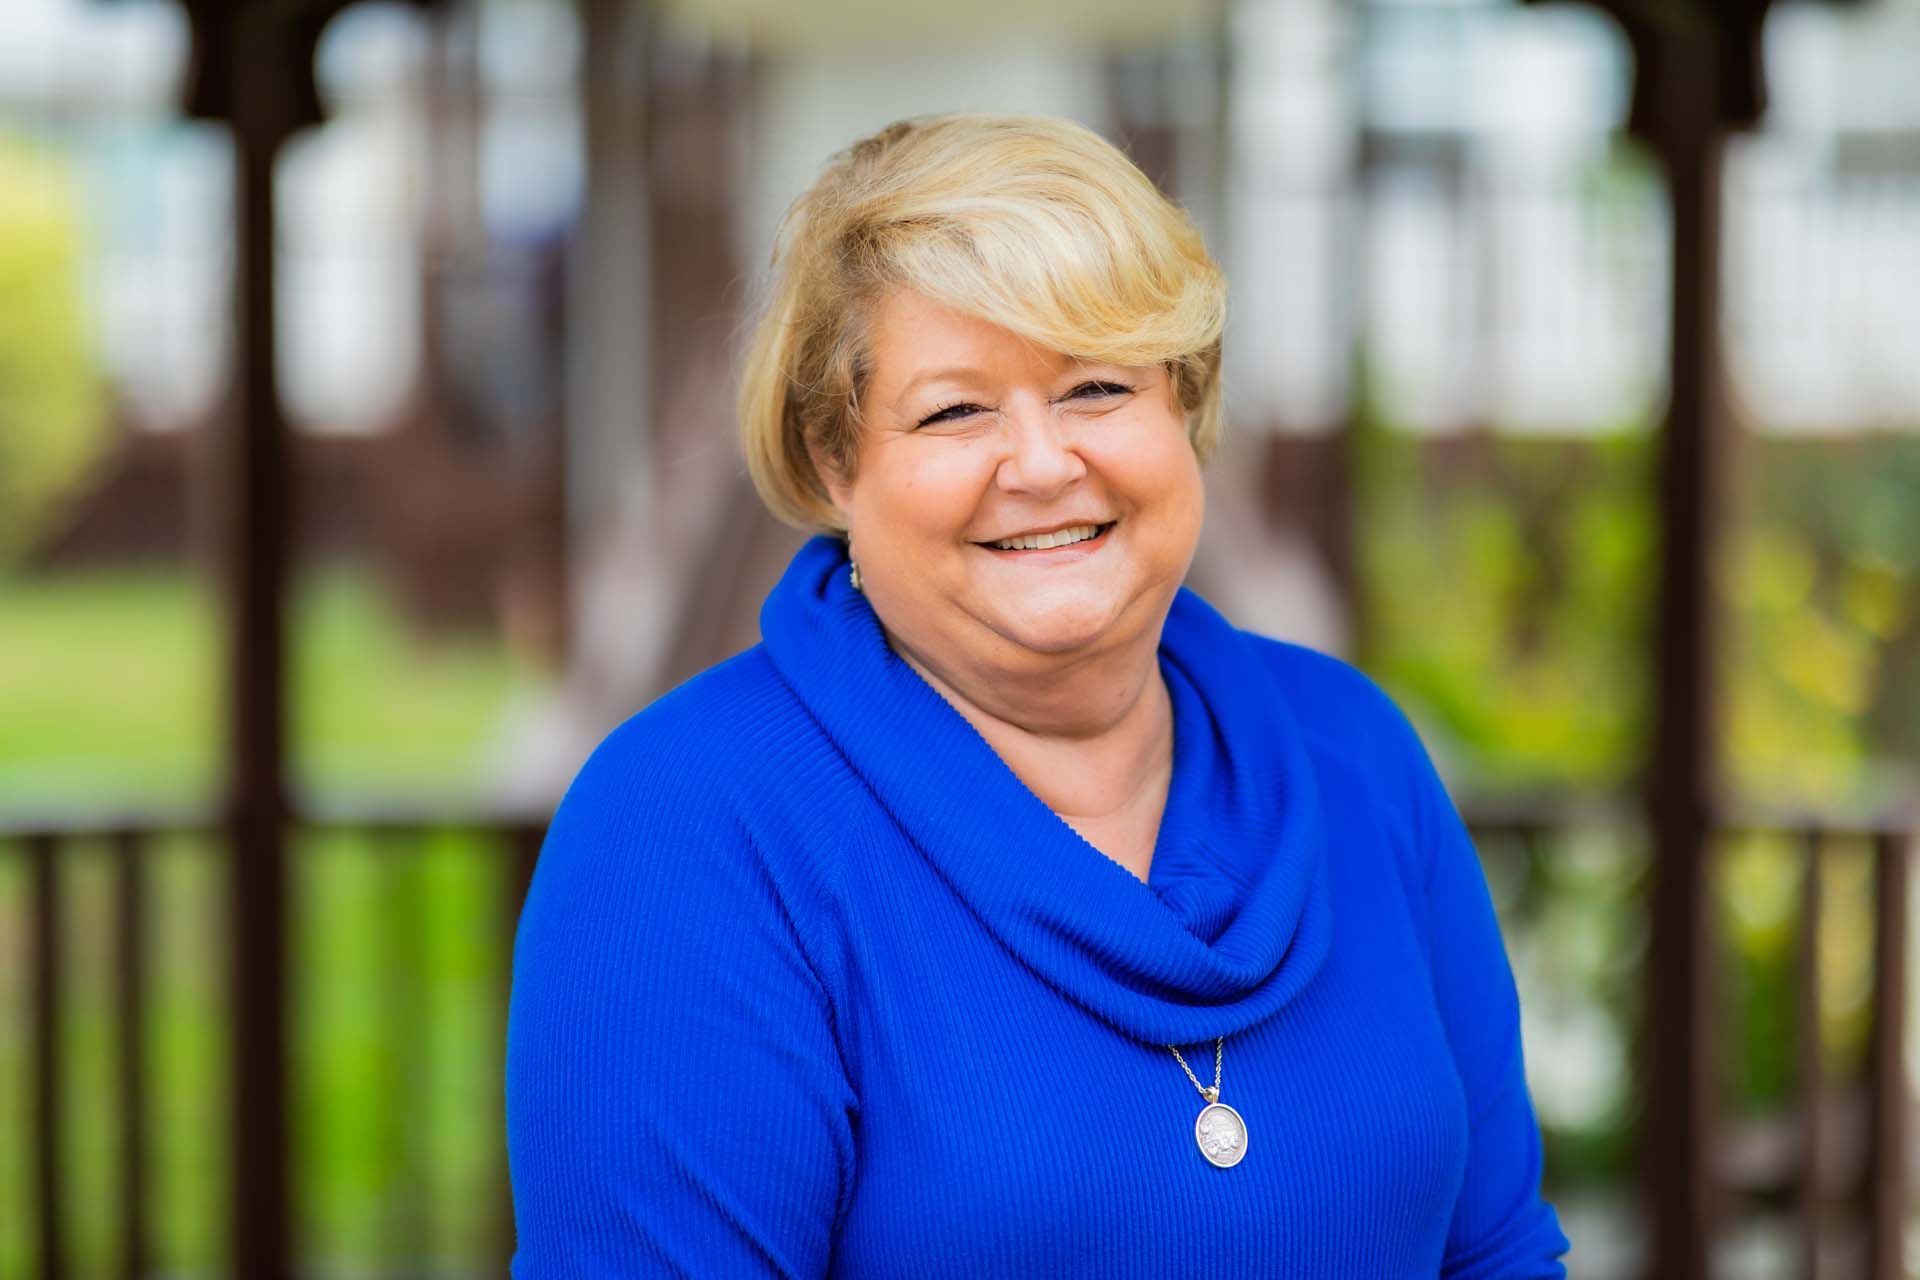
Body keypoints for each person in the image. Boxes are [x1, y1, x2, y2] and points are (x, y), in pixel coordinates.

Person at [505, 111, 1571, 1278]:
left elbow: (1499, 1250)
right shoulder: (683, 825)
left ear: (1186, 408)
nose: (1045, 463)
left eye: (1099, 386)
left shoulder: (1354, 751)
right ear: (832, 459)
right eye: (956, 408)